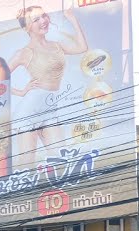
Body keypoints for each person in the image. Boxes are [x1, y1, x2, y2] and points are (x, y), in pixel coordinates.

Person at [10, 4, 88, 171]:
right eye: (36, 19)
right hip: (29, 112)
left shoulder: (57, 46)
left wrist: (73, 19)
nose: (43, 21)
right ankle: (19, 196)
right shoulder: (24, 53)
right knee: (26, 165)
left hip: (50, 109)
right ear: (26, 27)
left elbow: (83, 48)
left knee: (61, 158)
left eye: (44, 16)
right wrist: (21, 92)